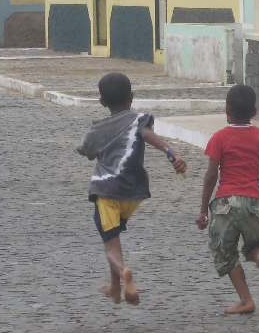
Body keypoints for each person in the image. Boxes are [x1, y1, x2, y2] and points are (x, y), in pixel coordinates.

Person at [77, 72, 187, 306]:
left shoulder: (97, 129)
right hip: (132, 193)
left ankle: (124, 271)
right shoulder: (138, 121)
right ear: (132, 97)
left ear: (102, 102)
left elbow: (87, 152)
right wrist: (173, 156)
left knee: (111, 246)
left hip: (106, 192)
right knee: (113, 233)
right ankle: (115, 289)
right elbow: (150, 136)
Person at [196, 84, 259, 314]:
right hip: (254, 203)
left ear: (226, 110)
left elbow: (211, 176)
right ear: (254, 112)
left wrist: (203, 210)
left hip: (226, 203)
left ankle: (246, 299)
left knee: (225, 252)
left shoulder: (220, 138)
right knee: (253, 246)